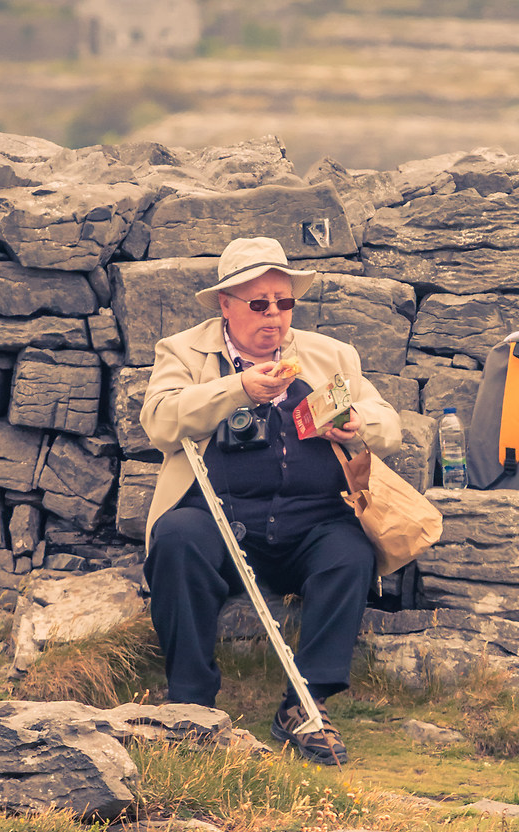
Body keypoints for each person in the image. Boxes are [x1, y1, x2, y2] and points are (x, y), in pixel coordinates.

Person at [139, 236, 402, 764]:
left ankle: (307, 705)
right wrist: (238, 389)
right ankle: (190, 705)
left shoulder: (329, 356)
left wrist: (356, 426)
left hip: (312, 521)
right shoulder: (185, 351)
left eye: (284, 303)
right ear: (226, 305)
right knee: (176, 538)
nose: (275, 317)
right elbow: (160, 423)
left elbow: (388, 425)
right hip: (219, 517)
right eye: (259, 304)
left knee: (350, 554)